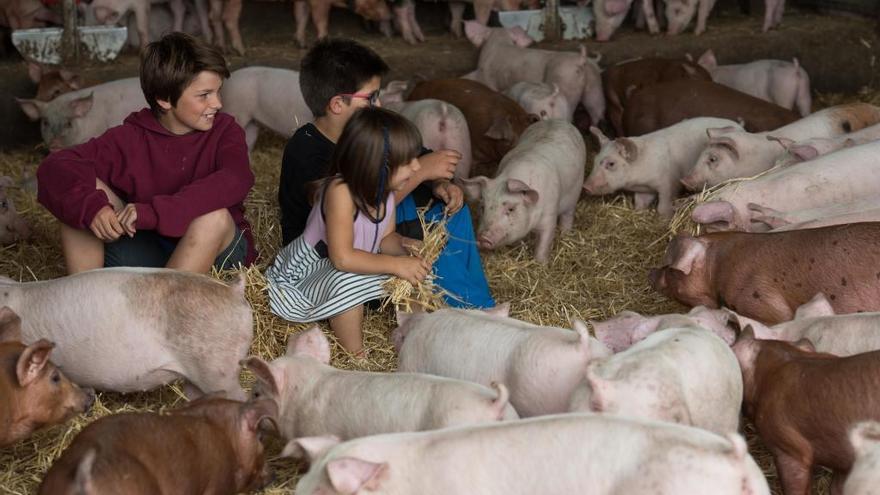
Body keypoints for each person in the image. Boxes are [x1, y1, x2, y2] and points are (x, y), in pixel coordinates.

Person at [278, 38, 495, 309]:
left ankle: (475, 301)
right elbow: (353, 215)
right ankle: (456, 308)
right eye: (370, 97)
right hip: (331, 257)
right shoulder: (307, 150)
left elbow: (417, 156)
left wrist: (440, 182)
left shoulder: (373, 131)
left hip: (378, 227)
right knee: (424, 225)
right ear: (336, 104)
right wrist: (421, 173)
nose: (378, 104)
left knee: (451, 209)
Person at [37, 32, 255, 275]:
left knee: (213, 218)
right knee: (78, 199)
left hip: (219, 253)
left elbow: (236, 178)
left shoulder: (225, 131)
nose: (217, 103)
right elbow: (55, 166)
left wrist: (153, 213)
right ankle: (88, 301)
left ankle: (164, 310)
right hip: (151, 249)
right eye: (204, 95)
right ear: (164, 100)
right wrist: (93, 209)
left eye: (218, 91)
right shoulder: (129, 137)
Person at [267, 107, 431, 356]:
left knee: (418, 271)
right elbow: (342, 258)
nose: (417, 166)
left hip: (356, 260)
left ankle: (415, 337)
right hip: (307, 272)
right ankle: (355, 354)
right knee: (348, 282)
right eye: (408, 161)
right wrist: (396, 265)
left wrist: (405, 247)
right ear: (379, 164)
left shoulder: (384, 193)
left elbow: (385, 239)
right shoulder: (340, 192)